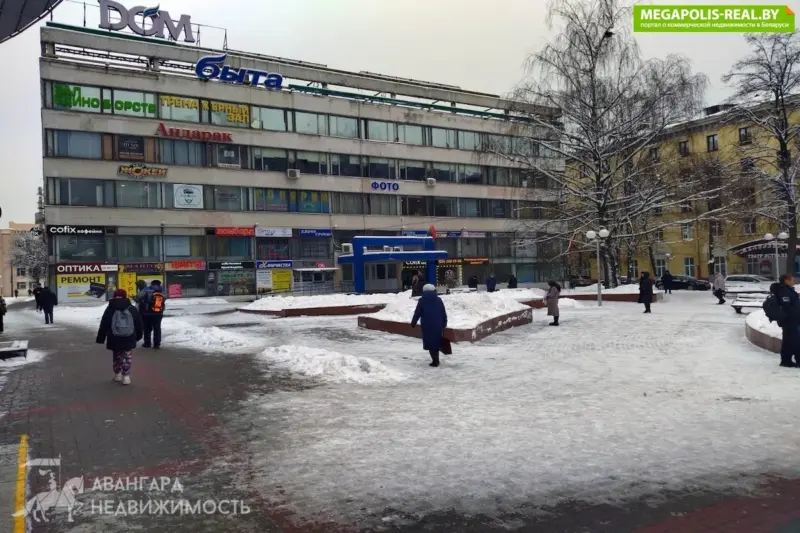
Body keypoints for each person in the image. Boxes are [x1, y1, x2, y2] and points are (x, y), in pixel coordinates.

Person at [96, 289, 144, 385]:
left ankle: (117, 374)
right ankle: (126, 377)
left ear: (114, 296)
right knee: (127, 356)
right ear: (125, 296)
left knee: (117, 356)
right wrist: (138, 336)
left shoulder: (110, 308)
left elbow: (104, 323)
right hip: (129, 336)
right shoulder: (131, 308)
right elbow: (139, 323)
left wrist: (101, 338)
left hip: (114, 337)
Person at [410, 284, 448, 367]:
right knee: (436, 341)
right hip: (438, 324)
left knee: (430, 342)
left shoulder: (422, 300)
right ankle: (436, 360)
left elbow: (417, 313)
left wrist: (413, 322)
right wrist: (444, 322)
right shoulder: (439, 300)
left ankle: (435, 361)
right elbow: (443, 312)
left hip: (427, 325)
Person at [773, 274, 800, 368]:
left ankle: (786, 360)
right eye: (792, 280)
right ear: (786, 280)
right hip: (789, 320)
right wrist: (795, 315)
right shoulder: (783, 291)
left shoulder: (788, 290)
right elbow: (786, 307)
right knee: (796, 340)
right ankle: (795, 360)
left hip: (791, 319)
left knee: (788, 340)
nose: (793, 281)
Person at [136, 280, 166, 348]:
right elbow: (165, 298)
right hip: (159, 312)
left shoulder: (146, 289)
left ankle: (147, 343)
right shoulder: (162, 290)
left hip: (147, 312)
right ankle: (157, 344)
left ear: (151, 284)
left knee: (147, 328)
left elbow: (138, 297)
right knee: (157, 328)